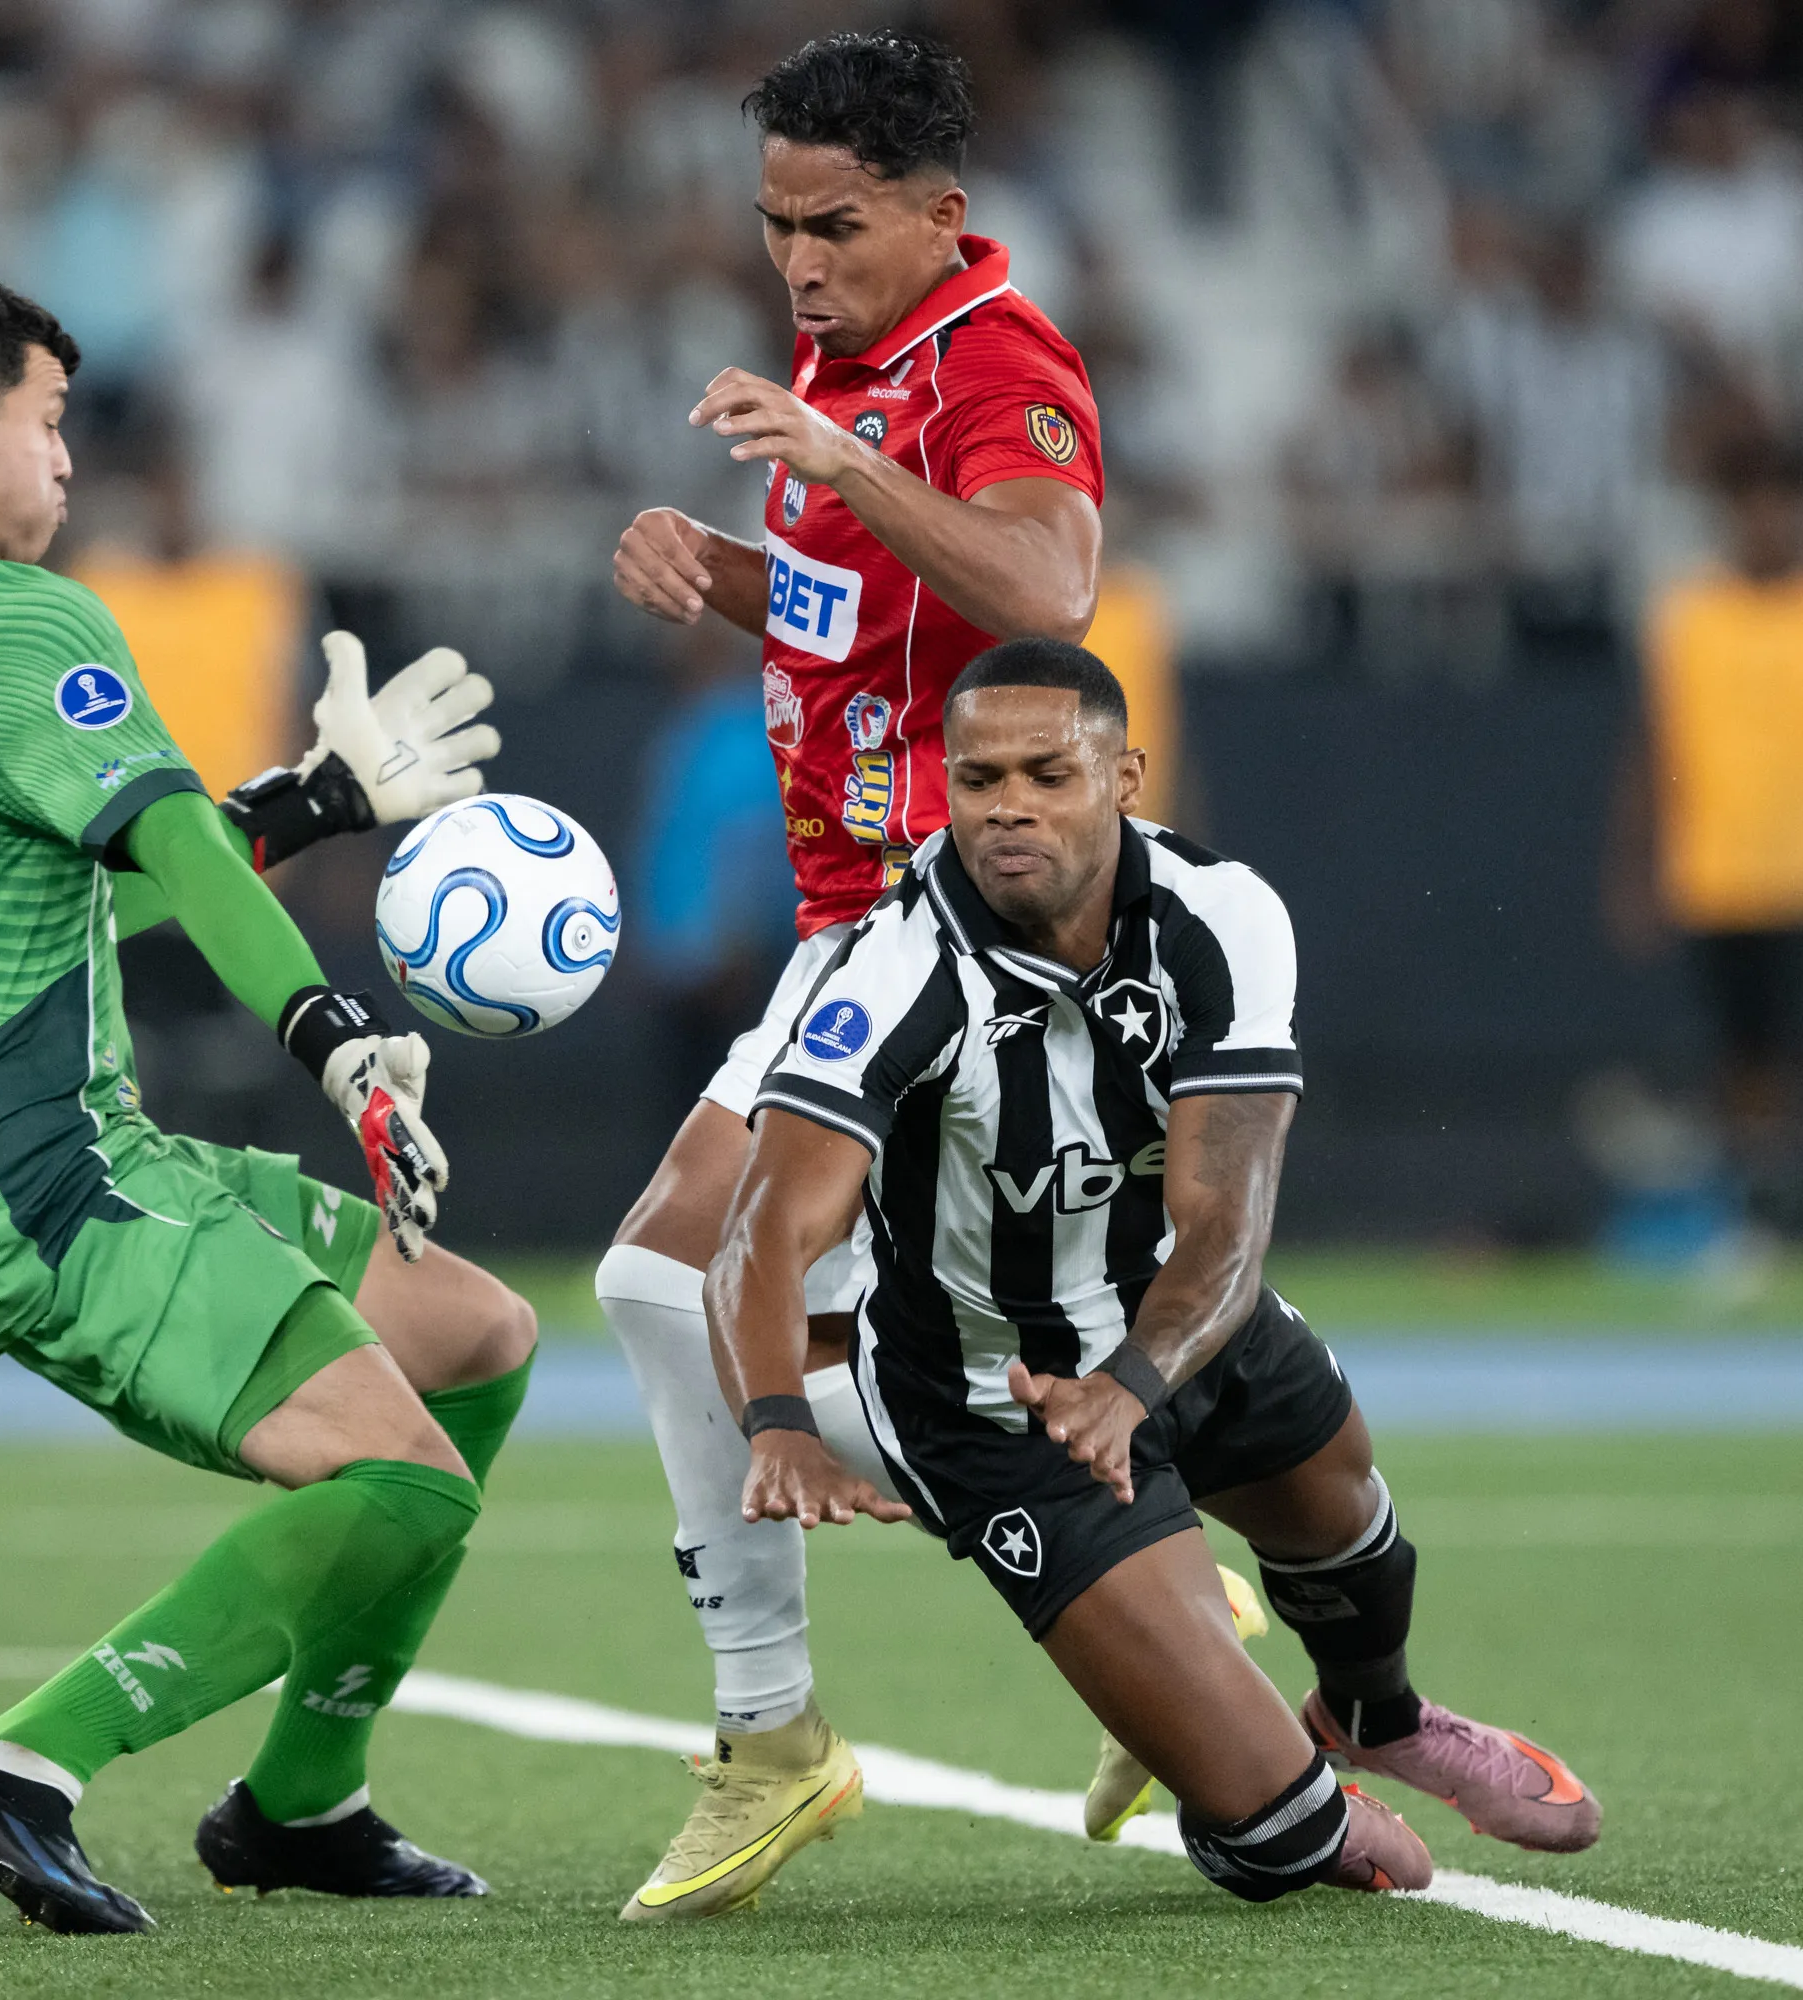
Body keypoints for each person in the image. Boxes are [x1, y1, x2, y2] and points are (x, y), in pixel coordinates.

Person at [0, 257, 532, 1932]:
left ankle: (301, 1806)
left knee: (475, 1338)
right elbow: (170, 840)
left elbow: (61, 905)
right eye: (50, 424)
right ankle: (23, 1764)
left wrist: (312, 796)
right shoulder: (7, 614)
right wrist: (334, 1035)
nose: (67, 461)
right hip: (58, 1173)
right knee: (399, 1478)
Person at [707, 638, 1602, 1904]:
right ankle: (1227, 1751)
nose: (1007, 804)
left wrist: (1130, 1381)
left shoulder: (1221, 914)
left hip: (1177, 1316)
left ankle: (1374, 1716)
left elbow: (1226, 1225)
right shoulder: (895, 967)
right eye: (975, 778)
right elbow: (758, 1233)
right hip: (987, 1398)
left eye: (1046, 773)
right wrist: (781, 1424)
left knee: (1354, 1535)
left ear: (1122, 775)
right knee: (1310, 1855)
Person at [592, 29, 1107, 1919]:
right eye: (774, 226)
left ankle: (774, 1733)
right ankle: (1130, 1548)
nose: (799, 261)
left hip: (932, 917)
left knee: (666, 1276)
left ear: (939, 214)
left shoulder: (998, 364)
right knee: (723, 1293)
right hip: (851, 916)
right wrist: (723, 568)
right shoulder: (849, 361)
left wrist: (830, 459)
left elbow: (1046, 590)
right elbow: (866, 614)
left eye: (836, 225)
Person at [1609, 439, 1803, 1237]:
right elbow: (1654, 749)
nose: (1769, 520)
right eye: (1751, 502)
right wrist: (1633, 866)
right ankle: (1758, 1215)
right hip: (1719, 874)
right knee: (1743, 1058)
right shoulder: (1688, 614)